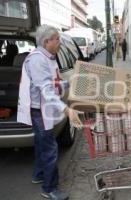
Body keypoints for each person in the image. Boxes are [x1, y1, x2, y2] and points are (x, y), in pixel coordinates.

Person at [17, 24, 82, 200]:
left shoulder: (48, 57)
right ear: (47, 41)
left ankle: (38, 174)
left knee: (41, 143)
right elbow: (46, 90)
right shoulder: (38, 60)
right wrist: (67, 110)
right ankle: (50, 188)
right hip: (40, 110)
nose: (59, 42)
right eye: (57, 39)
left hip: (43, 108)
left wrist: (69, 83)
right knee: (50, 148)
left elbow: (53, 84)